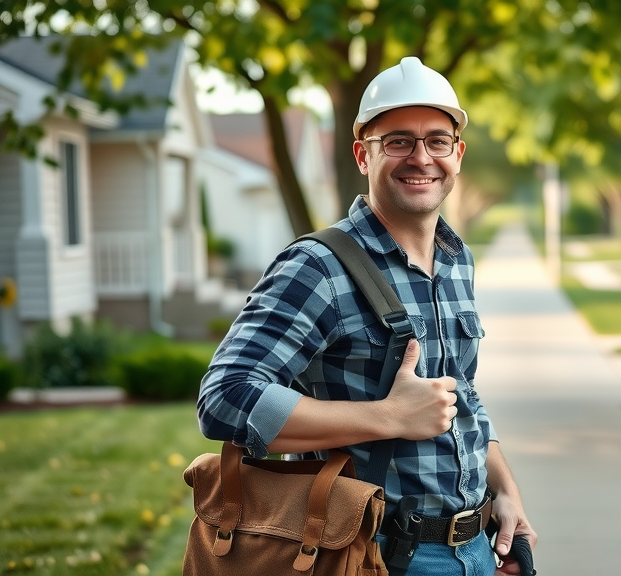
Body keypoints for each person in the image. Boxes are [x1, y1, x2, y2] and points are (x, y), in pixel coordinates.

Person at [197, 56, 536, 575]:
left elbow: (460, 396)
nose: (420, 158)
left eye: (437, 141)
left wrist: (506, 492)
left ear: (458, 154)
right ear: (362, 155)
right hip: (368, 553)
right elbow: (225, 397)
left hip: (475, 549)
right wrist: (388, 416)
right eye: (398, 141)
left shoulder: (456, 259)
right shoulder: (318, 266)